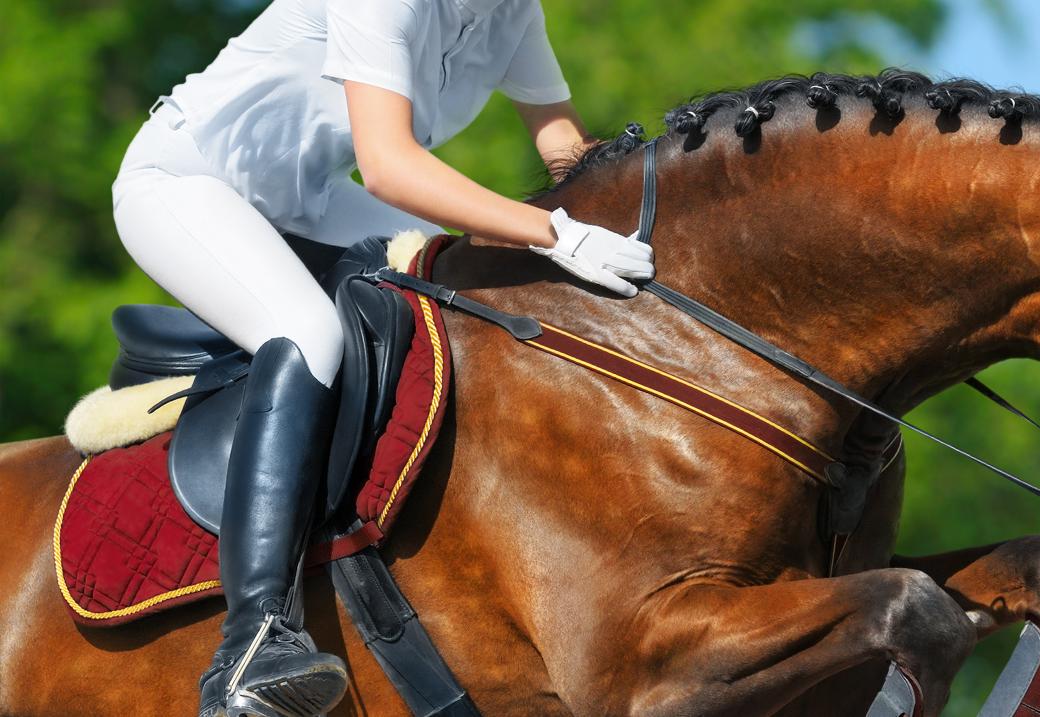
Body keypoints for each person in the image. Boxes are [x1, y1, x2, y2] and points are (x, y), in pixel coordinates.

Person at [109, 0, 652, 714]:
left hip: (306, 199)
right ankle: (251, 645)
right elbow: (390, 168)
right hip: (182, 183)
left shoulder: (514, 12)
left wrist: (649, 222)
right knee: (308, 331)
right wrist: (555, 234)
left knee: (460, 276)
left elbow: (566, 154)